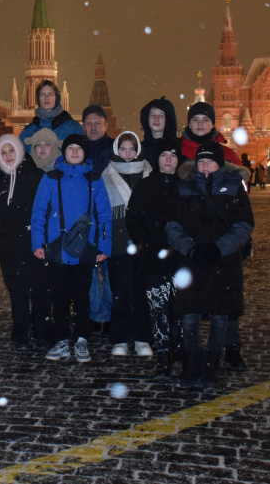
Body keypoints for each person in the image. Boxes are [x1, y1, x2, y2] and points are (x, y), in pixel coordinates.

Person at [166, 141, 253, 391]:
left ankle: (211, 366)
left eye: (210, 162)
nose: (205, 167)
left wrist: (218, 248)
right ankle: (192, 365)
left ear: (220, 164)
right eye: (201, 162)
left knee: (219, 317)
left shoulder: (234, 187)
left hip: (223, 263)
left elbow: (244, 225)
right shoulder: (183, 187)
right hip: (191, 262)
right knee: (190, 316)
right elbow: (172, 224)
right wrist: (190, 248)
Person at [31, 134, 112, 363]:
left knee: (82, 297)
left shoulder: (94, 179)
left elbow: (104, 216)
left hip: (85, 248)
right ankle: (62, 340)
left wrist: (103, 245)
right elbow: (38, 214)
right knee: (59, 297)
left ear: (85, 153)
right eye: (70, 148)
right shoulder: (50, 178)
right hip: (57, 248)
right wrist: (38, 243)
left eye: (79, 148)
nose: (75, 152)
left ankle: (81, 339)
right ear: (63, 152)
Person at [125, 138, 183, 378]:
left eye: (172, 155)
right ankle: (163, 353)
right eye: (164, 156)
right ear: (156, 160)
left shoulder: (186, 186)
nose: (168, 160)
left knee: (180, 307)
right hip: (153, 257)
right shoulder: (145, 186)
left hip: (181, 258)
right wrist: (145, 244)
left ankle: (180, 348)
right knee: (158, 308)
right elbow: (133, 218)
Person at [0, 133, 49, 349]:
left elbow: (46, 211)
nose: (8, 155)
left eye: (11, 150)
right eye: (3, 153)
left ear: (19, 151)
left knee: (40, 290)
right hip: (9, 246)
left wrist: (41, 239)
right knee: (17, 291)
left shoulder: (37, 176)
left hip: (34, 244)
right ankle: (21, 334)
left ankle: (44, 332)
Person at [101, 130, 153, 359]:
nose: (128, 154)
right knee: (120, 294)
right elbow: (101, 212)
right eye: (123, 149)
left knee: (142, 293)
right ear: (116, 150)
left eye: (132, 148)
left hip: (144, 244)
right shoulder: (106, 175)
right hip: (118, 243)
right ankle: (120, 338)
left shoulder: (149, 173)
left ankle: (143, 338)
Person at [82, 105, 115, 336]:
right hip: (85, 218)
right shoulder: (77, 149)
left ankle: (111, 317)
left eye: (97, 123)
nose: (93, 128)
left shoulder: (115, 149)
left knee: (111, 270)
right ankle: (95, 316)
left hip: (110, 216)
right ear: (83, 126)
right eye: (89, 124)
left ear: (105, 125)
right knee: (91, 271)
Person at [19, 80, 84, 152]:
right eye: (42, 94)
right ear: (38, 99)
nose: (46, 98)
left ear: (57, 98)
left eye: (50, 94)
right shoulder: (28, 131)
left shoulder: (73, 127)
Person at [139, 97, 179, 169]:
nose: (156, 119)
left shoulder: (179, 147)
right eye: (152, 115)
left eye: (161, 115)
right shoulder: (140, 149)